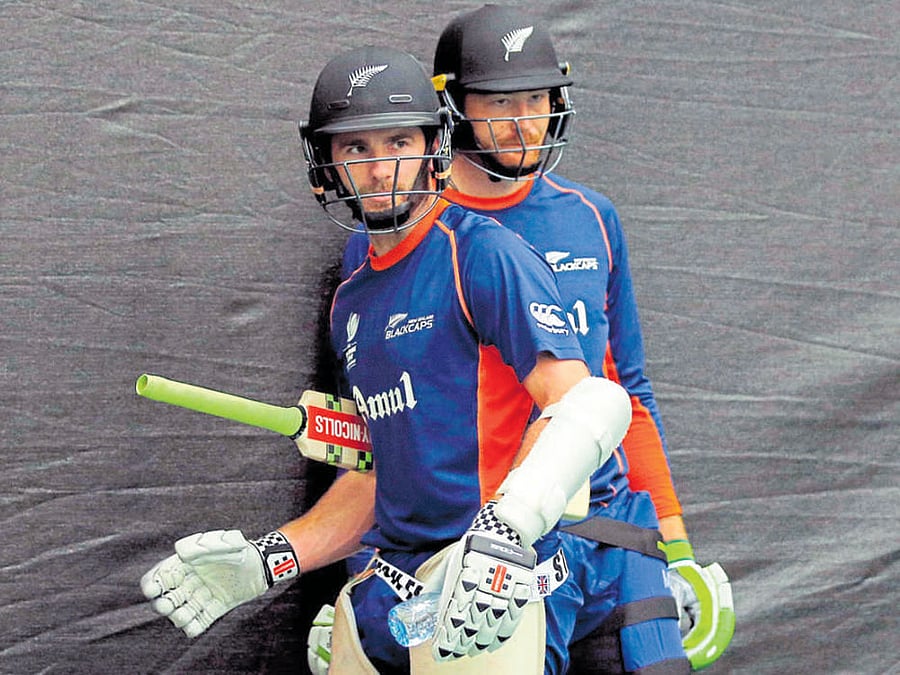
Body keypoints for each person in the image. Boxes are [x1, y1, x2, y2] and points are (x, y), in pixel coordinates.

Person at [140, 45, 635, 674]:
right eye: (356, 149)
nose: (380, 170)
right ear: (327, 165)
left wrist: (504, 537)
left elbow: (585, 406)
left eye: (398, 141)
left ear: (435, 145)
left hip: (480, 595)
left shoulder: (482, 255)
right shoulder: (353, 297)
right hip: (389, 599)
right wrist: (275, 555)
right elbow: (382, 476)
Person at [337, 5, 733, 673]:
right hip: (481, 556)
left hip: (607, 537)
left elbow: (625, 390)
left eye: (537, 98)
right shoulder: (389, 239)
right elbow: (376, 432)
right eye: (499, 102)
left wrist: (680, 549)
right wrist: (360, 584)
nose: (524, 120)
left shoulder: (591, 218)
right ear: (453, 108)